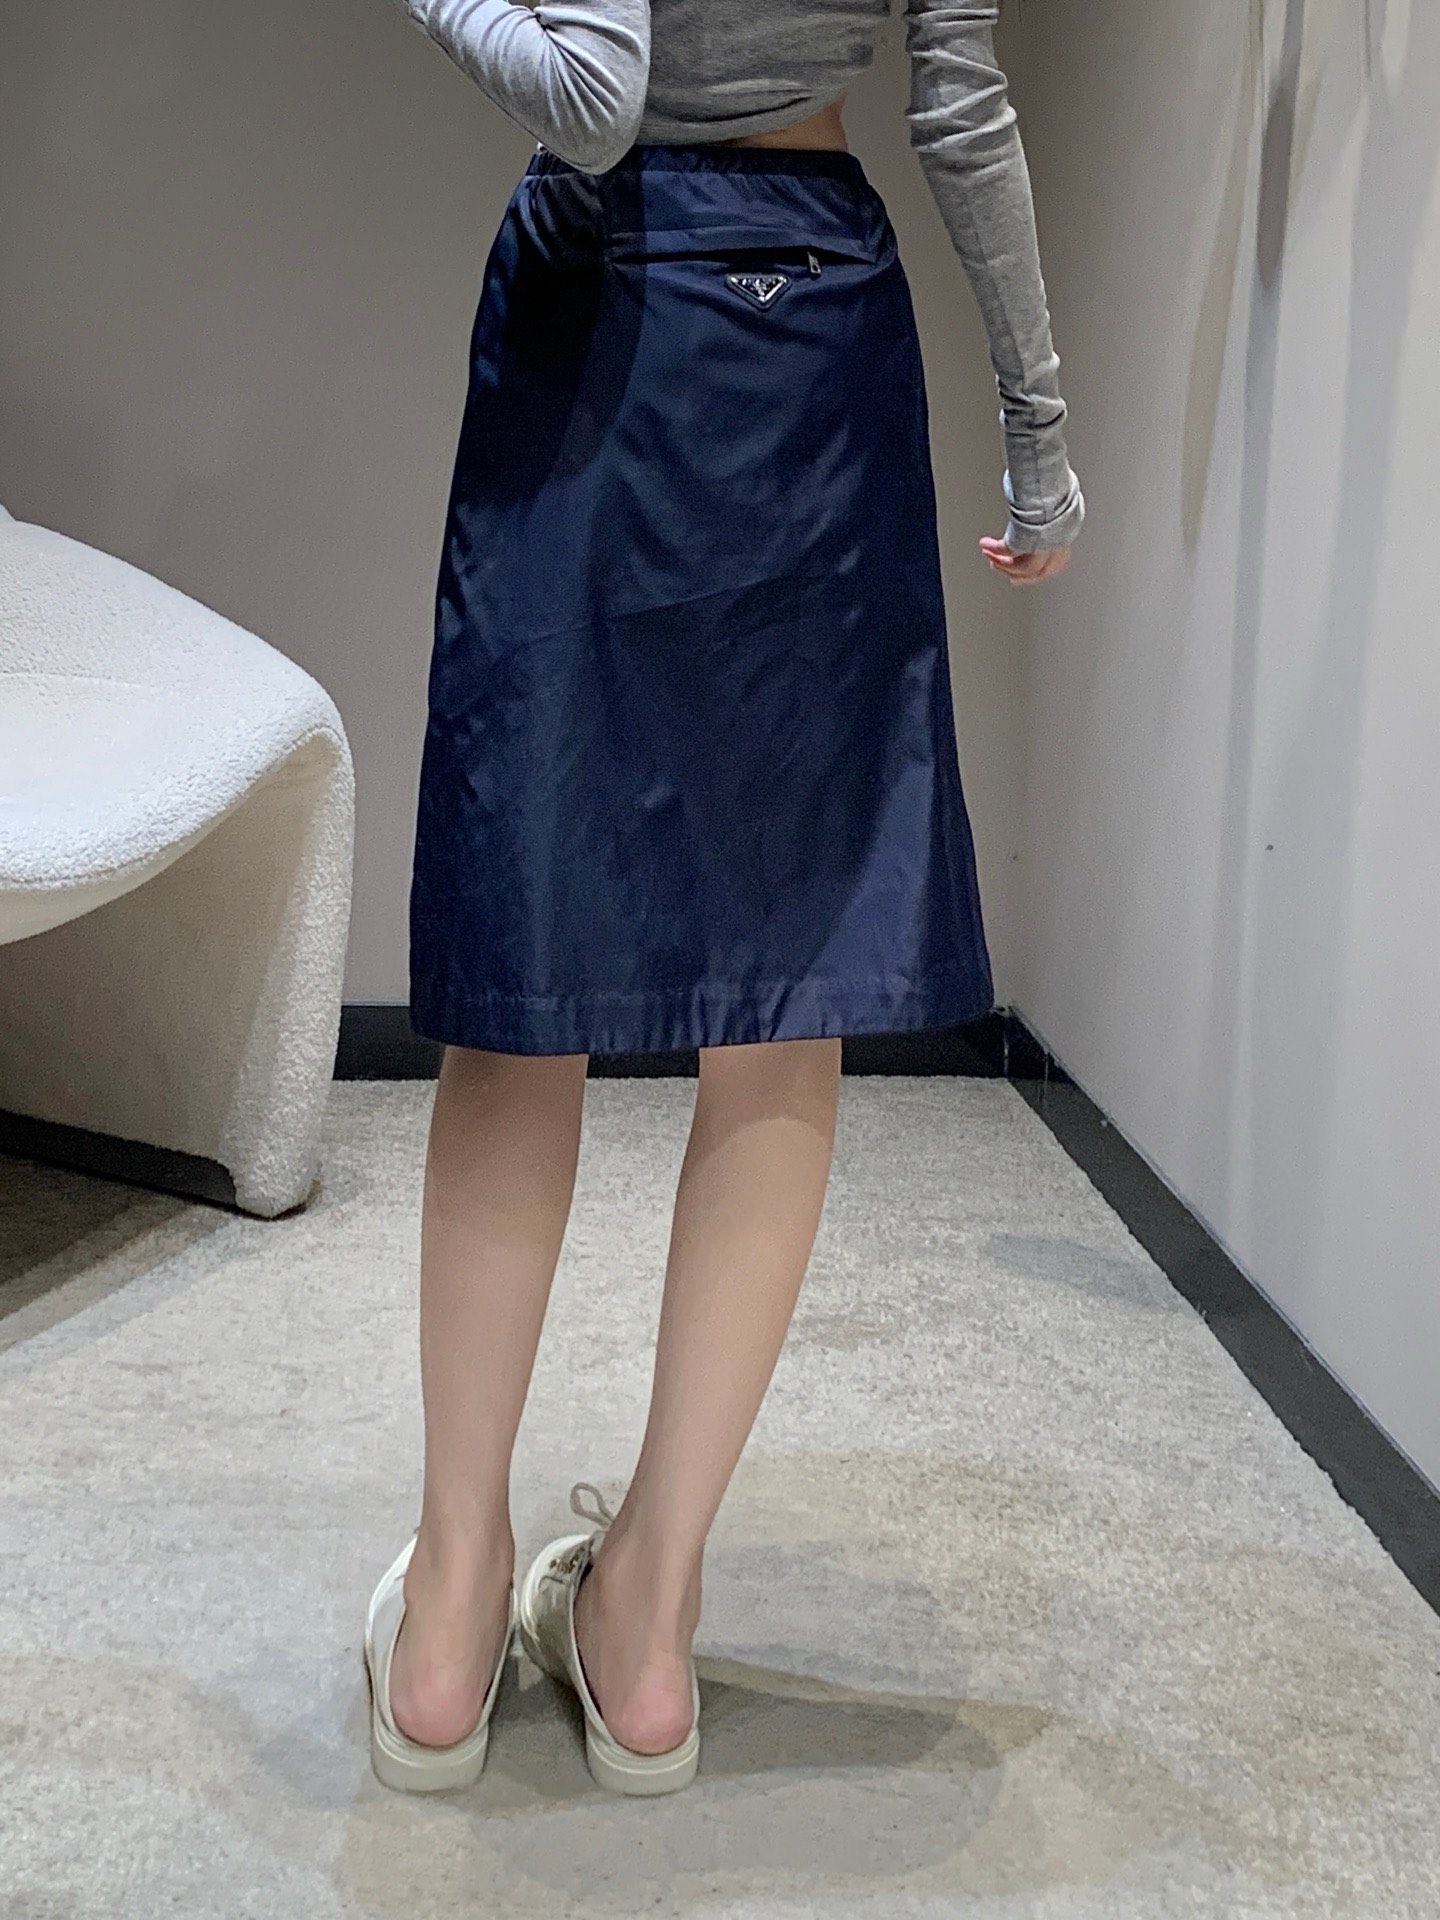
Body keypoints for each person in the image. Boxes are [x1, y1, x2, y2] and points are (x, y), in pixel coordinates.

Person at [364, 0, 1083, 1797]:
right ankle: (648, 1626)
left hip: (602, 306)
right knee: (785, 992)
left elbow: (593, 95)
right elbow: (959, 97)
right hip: (818, 314)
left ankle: (448, 1630)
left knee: (525, 984)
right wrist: (1039, 423)